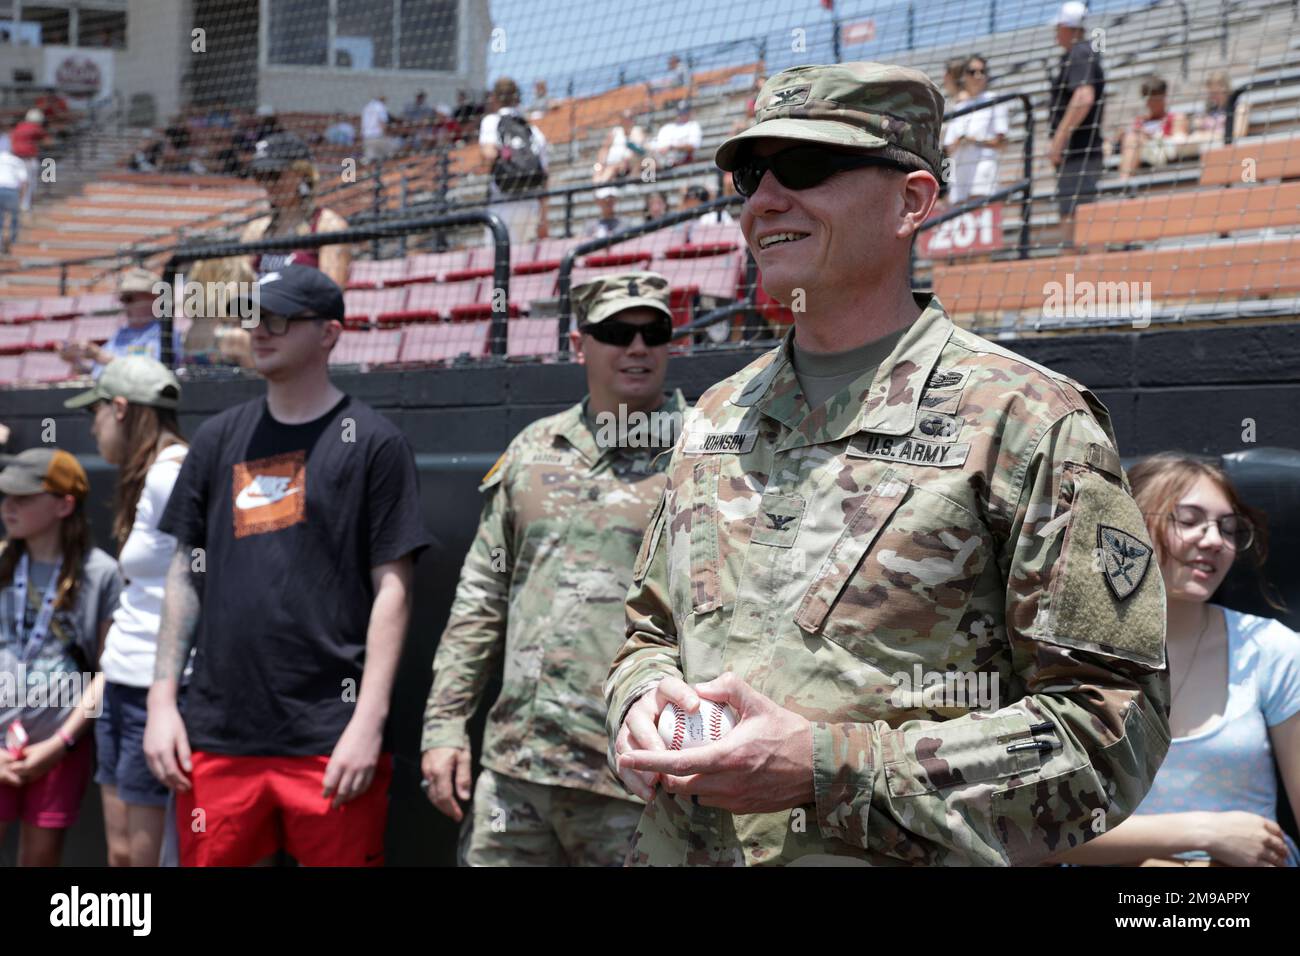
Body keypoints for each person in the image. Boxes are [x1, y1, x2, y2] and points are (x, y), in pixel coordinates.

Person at [605, 61, 1170, 867]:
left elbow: (1114, 731)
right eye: (749, 175)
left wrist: (830, 769)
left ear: (912, 200)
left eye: (805, 168)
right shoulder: (714, 416)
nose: (763, 200)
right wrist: (639, 701)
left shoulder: (1028, 422)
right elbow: (649, 631)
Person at [143, 265, 434, 867]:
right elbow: (183, 576)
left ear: (328, 333)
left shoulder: (376, 444)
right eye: (253, 316)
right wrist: (161, 703)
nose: (259, 330)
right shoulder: (218, 439)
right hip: (219, 735)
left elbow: (393, 588)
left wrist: (367, 721)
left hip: (330, 737)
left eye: (278, 317)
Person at [422, 271, 687, 866]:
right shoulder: (535, 449)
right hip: (518, 770)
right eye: (617, 332)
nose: (638, 347)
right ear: (578, 345)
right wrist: (444, 727)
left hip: (636, 777)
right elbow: (481, 599)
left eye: (655, 332)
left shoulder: (700, 454)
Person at [1048, 454, 1299, 867]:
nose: (1215, 540)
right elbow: (1034, 834)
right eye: (1189, 519)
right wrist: (1205, 832)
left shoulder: (1272, 650)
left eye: (1229, 527)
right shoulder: (1067, 653)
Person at [63, 358, 187, 867]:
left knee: (152, 859)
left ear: (120, 408)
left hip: (153, 695)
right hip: (121, 682)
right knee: (121, 857)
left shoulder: (171, 476)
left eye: (95, 412)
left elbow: (207, 578)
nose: (91, 426)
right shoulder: (148, 477)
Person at [0, 448, 121, 866]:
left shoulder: (101, 573)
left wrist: (61, 743)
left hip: (59, 747)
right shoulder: (1, 562)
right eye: (5, 496)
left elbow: (108, 670)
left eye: (23, 498)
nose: (8, 507)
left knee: (39, 857)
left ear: (64, 504)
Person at [188, 133, 350, 368]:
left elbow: (330, 299)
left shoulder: (328, 225)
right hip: (258, 324)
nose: (267, 183)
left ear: (302, 174)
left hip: (299, 328)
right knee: (198, 335)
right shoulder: (256, 230)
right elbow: (238, 289)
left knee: (233, 341)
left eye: (274, 174)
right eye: (260, 176)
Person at [1047, 2, 1106, 243]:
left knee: (1076, 221)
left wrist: (1058, 141)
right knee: (1078, 219)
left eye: (1058, 27)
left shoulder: (1079, 52)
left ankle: (1079, 277)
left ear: (1067, 27)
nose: (1055, 33)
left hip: (1078, 153)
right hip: (1080, 152)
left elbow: (1084, 97)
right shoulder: (1083, 52)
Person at [59, 267, 182, 376]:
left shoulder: (165, 334)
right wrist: (76, 361)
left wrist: (98, 355)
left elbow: (149, 374)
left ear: (154, 299)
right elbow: (98, 371)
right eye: (122, 299)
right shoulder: (122, 333)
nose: (124, 304)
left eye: (128, 298)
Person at [479, 76, 550, 245]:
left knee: (497, 261)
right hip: (531, 205)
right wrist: (544, 219)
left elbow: (488, 154)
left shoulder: (492, 121)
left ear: (494, 98)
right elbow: (545, 175)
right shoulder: (532, 129)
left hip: (502, 204)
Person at [942, 55, 1008, 205]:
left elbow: (1002, 143)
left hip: (983, 175)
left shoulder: (994, 100)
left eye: (982, 71)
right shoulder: (957, 107)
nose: (978, 76)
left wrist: (972, 140)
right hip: (959, 179)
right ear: (964, 76)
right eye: (973, 72)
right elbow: (948, 150)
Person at [1117, 76, 1189, 181]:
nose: (1150, 102)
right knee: (1130, 137)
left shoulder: (1176, 118)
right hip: (1141, 155)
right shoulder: (1140, 121)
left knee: (1132, 139)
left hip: (1165, 154)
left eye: (1155, 97)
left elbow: (1179, 141)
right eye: (1147, 98)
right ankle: (1124, 180)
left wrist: (1152, 137)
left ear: (1164, 96)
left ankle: (1123, 182)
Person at [593, 110, 647, 184]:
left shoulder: (637, 131)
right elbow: (604, 149)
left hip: (626, 163)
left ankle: (599, 186)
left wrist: (625, 161)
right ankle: (597, 186)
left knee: (611, 170)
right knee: (597, 170)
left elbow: (640, 150)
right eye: (625, 118)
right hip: (609, 164)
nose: (627, 121)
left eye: (630, 118)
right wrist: (600, 165)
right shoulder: (614, 132)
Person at [9, 109, 44, 212]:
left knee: (17, 182)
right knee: (30, 183)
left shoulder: (18, 127)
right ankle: (25, 205)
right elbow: (45, 139)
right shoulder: (35, 127)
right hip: (27, 159)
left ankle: (16, 204)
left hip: (15, 159)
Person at [650, 103, 702, 169]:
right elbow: (658, 146)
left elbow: (693, 146)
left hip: (684, 162)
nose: (682, 115)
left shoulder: (693, 125)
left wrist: (672, 147)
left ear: (689, 113)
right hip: (663, 160)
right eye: (680, 113)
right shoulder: (667, 127)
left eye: (685, 112)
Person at [0, 141, 28, 255]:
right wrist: (22, 200)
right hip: (12, 191)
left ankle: (3, 243)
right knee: (14, 219)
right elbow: (24, 182)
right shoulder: (17, 161)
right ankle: (12, 242)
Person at [361, 94, 393, 163]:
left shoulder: (367, 107)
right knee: (385, 158)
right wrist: (385, 134)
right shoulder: (380, 107)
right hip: (378, 136)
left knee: (371, 160)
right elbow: (382, 122)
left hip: (367, 137)